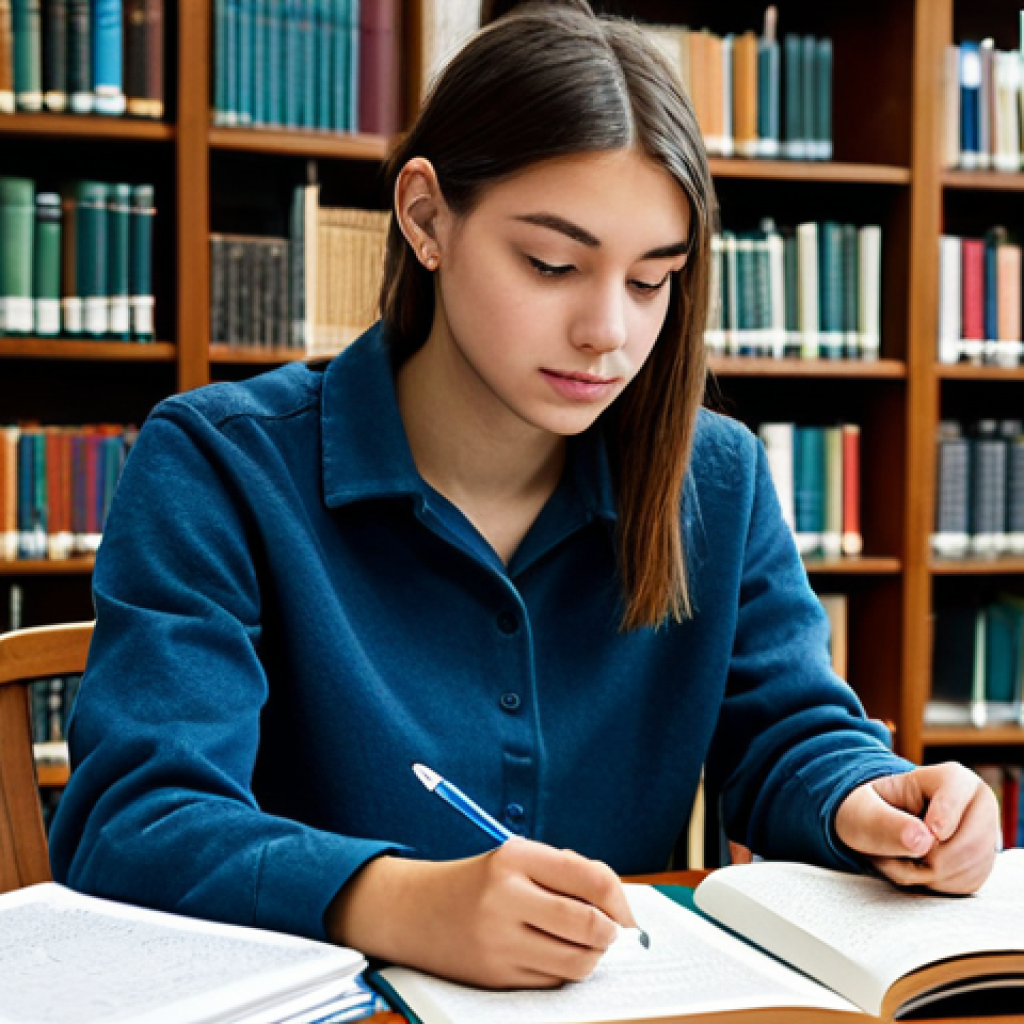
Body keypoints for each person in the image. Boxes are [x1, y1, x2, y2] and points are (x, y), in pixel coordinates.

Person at [51, 0, 999, 993]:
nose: (608, 332)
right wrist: (400, 899)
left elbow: (786, 727)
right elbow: (133, 822)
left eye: (651, 281)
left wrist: (867, 795)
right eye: (552, 264)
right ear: (425, 218)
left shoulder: (712, 478)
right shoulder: (218, 463)